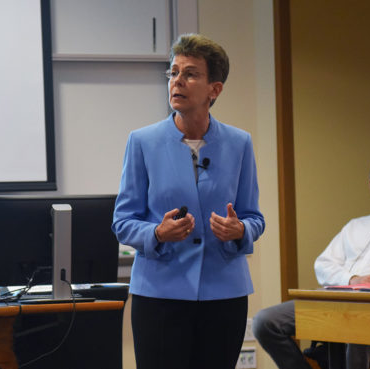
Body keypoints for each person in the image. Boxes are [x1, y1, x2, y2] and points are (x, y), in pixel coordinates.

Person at [112, 33, 265, 369]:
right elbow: (123, 221)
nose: (177, 81)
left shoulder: (240, 143)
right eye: (173, 72)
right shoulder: (143, 142)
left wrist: (240, 230)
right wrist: (156, 234)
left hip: (224, 294)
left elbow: (254, 216)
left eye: (190, 73)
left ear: (215, 89)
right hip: (160, 294)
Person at [252, 154, 370, 369]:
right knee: (264, 322)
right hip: (335, 302)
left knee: (357, 323)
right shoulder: (354, 227)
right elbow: (323, 265)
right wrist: (353, 279)